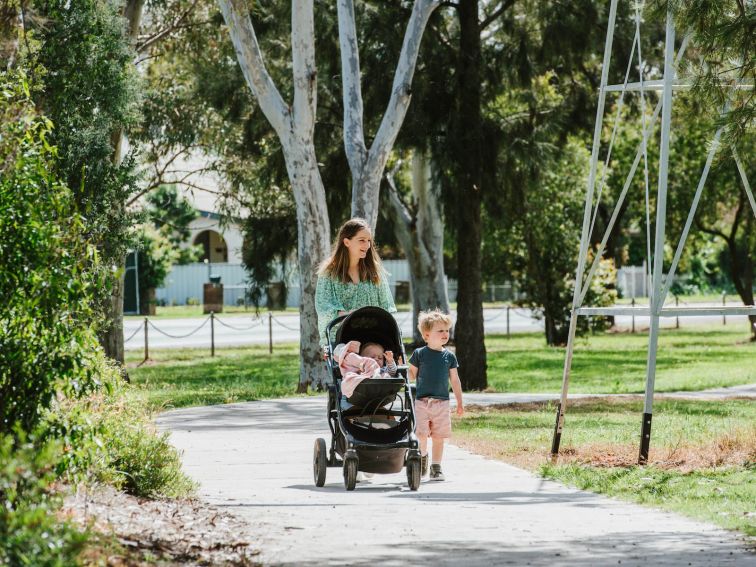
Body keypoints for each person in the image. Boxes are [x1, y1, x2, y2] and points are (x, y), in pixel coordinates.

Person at [315, 218, 397, 346]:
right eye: (362, 240)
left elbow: (387, 307)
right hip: (342, 339)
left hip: (375, 337)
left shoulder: (375, 271)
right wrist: (356, 315)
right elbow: (324, 309)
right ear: (347, 242)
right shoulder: (328, 273)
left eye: (369, 240)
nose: (367, 245)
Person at [408, 309, 464, 482]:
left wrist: (460, 403)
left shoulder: (449, 356)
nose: (445, 334)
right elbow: (411, 375)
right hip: (422, 402)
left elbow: (455, 380)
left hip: (442, 403)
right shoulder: (419, 354)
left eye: (447, 330)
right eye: (440, 330)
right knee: (422, 435)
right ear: (426, 335)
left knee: (439, 437)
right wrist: (401, 366)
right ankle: (423, 456)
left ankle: (436, 467)